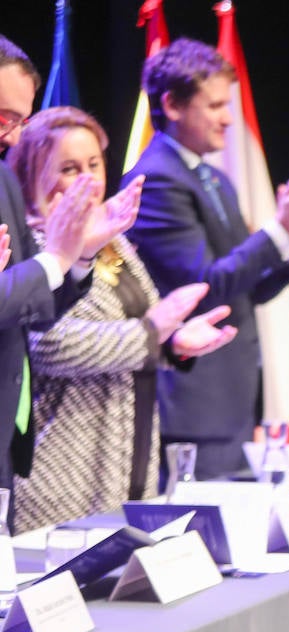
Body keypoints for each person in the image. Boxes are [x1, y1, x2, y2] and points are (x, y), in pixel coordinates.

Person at [8, 107, 238, 531]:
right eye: (69, 169)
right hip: (62, 471)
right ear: (31, 173)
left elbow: (140, 328)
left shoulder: (113, 241)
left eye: (94, 164)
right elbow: (48, 345)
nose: (88, 180)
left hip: (127, 456)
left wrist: (172, 342)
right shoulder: (33, 247)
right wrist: (151, 332)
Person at [123, 38, 289, 480]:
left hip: (231, 402)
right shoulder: (157, 181)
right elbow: (203, 288)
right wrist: (276, 230)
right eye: (215, 105)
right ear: (173, 105)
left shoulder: (215, 178)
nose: (227, 118)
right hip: (193, 405)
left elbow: (247, 287)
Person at [0, 35, 142, 499]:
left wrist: (78, 256)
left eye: (19, 120)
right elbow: (49, 344)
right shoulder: (36, 221)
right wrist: (155, 334)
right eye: (5, 117)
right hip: (59, 461)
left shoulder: (2, 179)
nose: (12, 135)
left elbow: (34, 313)